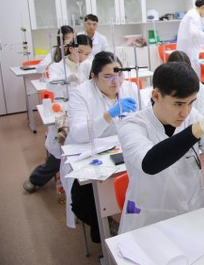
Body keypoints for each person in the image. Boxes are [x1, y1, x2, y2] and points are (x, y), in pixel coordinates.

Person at [118, 62, 204, 233]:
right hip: (151, 220)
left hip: (194, 211)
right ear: (156, 95)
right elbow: (149, 164)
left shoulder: (192, 117)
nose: (185, 112)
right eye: (178, 104)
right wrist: (200, 127)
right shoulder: (132, 125)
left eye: (191, 103)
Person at [63, 52, 139, 242]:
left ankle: (136, 221)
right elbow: (79, 134)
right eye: (108, 76)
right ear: (94, 77)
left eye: (119, 74)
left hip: (123, 150)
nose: (116, 81)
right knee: (82, 203)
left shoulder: (130, 88)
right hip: (89, 153)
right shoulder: (81, 94)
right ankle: (103, 227)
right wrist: (109, 114)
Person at [23, 35, 93, 194]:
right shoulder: (57, 67)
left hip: (83, 109)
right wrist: (66, 80)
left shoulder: (89, 65)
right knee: (60, 150)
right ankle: (36, 179)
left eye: (87, 53)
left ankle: (83, 186)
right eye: (80, 52)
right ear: (71, 48)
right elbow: (50, 86)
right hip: (63, 109)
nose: (83, 57)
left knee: (84, 147)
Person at [176, 0, 204, 77]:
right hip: (189, 52)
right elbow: (194, 32)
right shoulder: (194, 16)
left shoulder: (192, 14)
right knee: (192, 75)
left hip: (187, 51)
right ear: (203, 7)